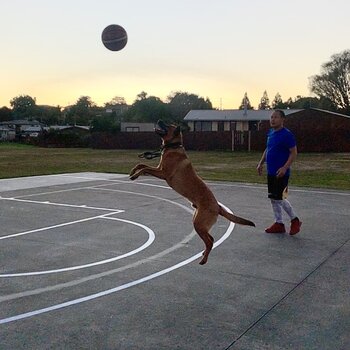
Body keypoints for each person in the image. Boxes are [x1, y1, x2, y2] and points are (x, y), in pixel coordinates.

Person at [257, 109, 302, 235]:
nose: (272, 119)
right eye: (271, 117)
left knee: (280, 198)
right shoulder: (271, 133)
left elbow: (294, 153)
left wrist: (284, 167)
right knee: (273, 198)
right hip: (271, 172)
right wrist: (261, 163)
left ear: (282, 119)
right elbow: (268, 149)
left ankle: (295, 220)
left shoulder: (287, 135)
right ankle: (279, 223)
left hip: (282, 173)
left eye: (276, 117)